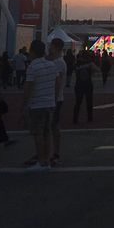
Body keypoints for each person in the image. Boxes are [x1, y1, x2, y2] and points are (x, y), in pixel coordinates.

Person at [22, 39, 60, 171]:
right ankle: (47, 160)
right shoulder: (52, 65)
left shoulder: (33, 67)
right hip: (49, 103)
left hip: (37, 104)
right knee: (47, 132)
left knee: (38, 134)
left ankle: (41, 161)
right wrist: (53, 100)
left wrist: (24, 105)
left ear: (32, 51)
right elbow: (56, 84)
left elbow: (28, 88)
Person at [48, 38, 69, 167]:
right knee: (53, 127)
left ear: (55, 47)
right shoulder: (57, 62)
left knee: (53, 127)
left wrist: (54, 99)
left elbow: (58, 83)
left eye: (51, 46)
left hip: (55, 99)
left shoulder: (59, 63)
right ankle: (52, 153)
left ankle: (54, 153)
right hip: (55, 98)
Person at [72, 47, 96, 125]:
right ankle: (90, 117)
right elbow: (97, 69)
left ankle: (75, 118)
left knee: (78, 102)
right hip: (88, 84)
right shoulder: (90, 63)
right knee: (89, 102)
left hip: (79, 84)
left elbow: (74, 69)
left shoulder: (77, 63)